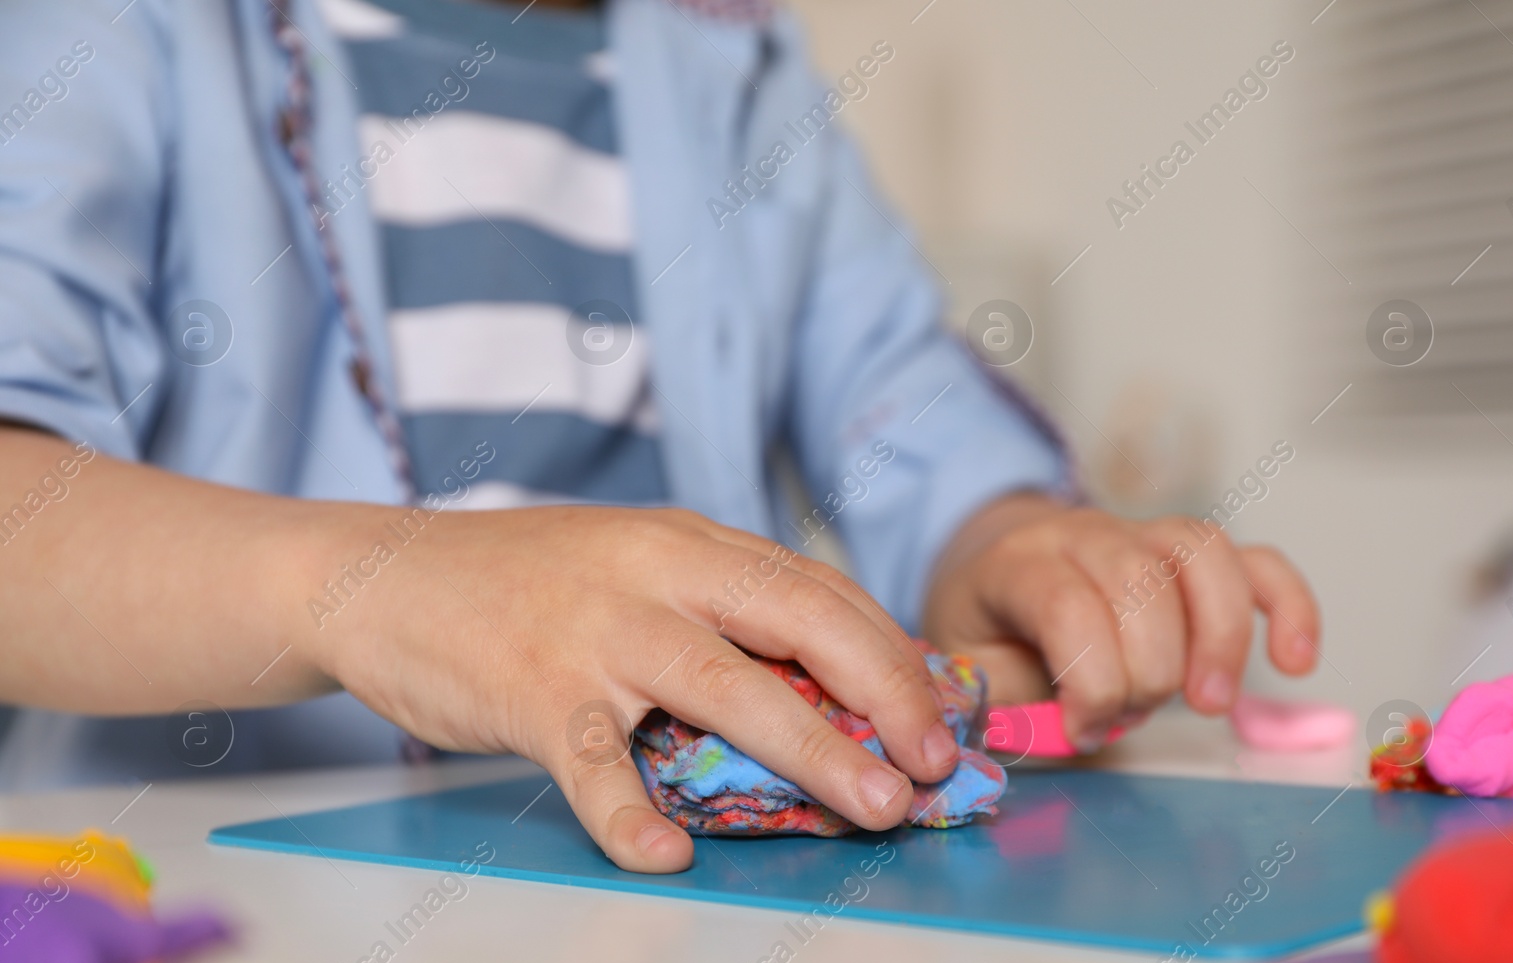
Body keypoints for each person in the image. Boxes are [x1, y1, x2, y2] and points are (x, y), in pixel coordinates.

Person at [0, 0, 1318, 872]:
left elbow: (901, 402)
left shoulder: (729, 64)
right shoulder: (119, 33)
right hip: (226, 897)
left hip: (673, 927)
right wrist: (376, 588)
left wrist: (1019, 538)